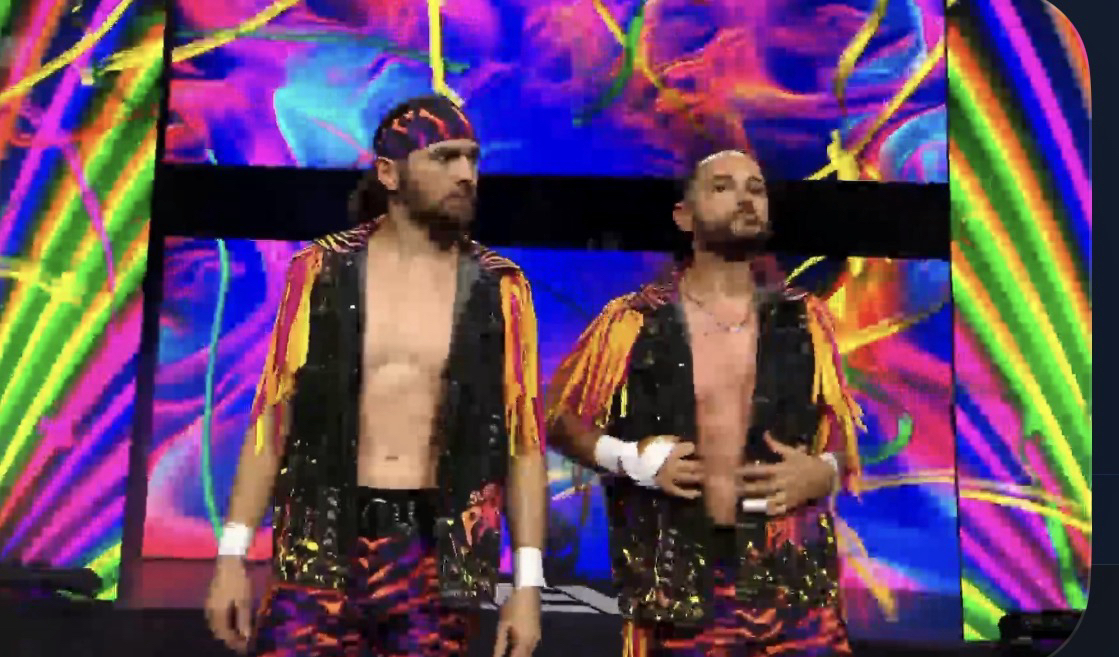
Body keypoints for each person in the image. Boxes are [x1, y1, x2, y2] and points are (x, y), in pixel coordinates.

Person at [205, 95, 547, 657]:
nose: (466, 174)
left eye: (472, 158)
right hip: (321, 542)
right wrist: (231, 556)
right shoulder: (319, 269)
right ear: (388, 173)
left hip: (436, 556)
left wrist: (528, 586)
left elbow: (524, 441)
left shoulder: (501, 287)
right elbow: (274, 415)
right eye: (445, 157)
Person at [546, 149, 863, 656]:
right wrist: (629, 459)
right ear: (684, 216)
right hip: (679, 598)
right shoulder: (634, 321)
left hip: (796, 596)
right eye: (723, 186)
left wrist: (822, 471)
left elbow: (841, 435)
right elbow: (558, 420)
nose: (745, 198)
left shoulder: (805, 319)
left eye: (755, 188)